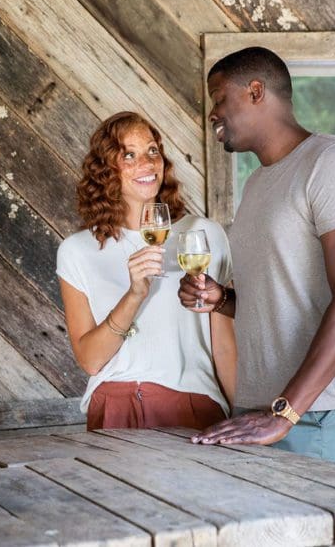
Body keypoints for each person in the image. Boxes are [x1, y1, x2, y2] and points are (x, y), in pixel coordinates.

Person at [179, 47, 335, 467]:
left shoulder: (332, 163)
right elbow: (278, 297)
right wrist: (224, 300)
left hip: (312, 413)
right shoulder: (256, 184)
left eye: (218, 97)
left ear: (255, 91)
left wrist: (285, 413)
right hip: (257, 410)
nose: (212, 113)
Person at [57, 111, 236, 430]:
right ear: (105, 170)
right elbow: (91, 360)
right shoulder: (77, 250)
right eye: (129, 155)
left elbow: (223, 344)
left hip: (190, 402)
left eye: (153, 150)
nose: (148, 163)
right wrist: (135, 294)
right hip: (112, 405)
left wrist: (243, 421)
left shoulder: (202, 235)